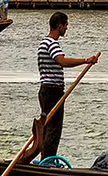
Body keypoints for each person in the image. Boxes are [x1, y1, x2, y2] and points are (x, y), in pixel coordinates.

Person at [36, 12, 99, 162]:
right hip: (52, 91)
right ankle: (48, 162)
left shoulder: (43, 43)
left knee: (48, 127)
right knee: (53, 129)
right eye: (66, 26)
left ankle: (46, 159)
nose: (67, 29)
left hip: (46, 90)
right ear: (59, 26)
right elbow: (62, 61)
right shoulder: (51, 44)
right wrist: (86, 60)